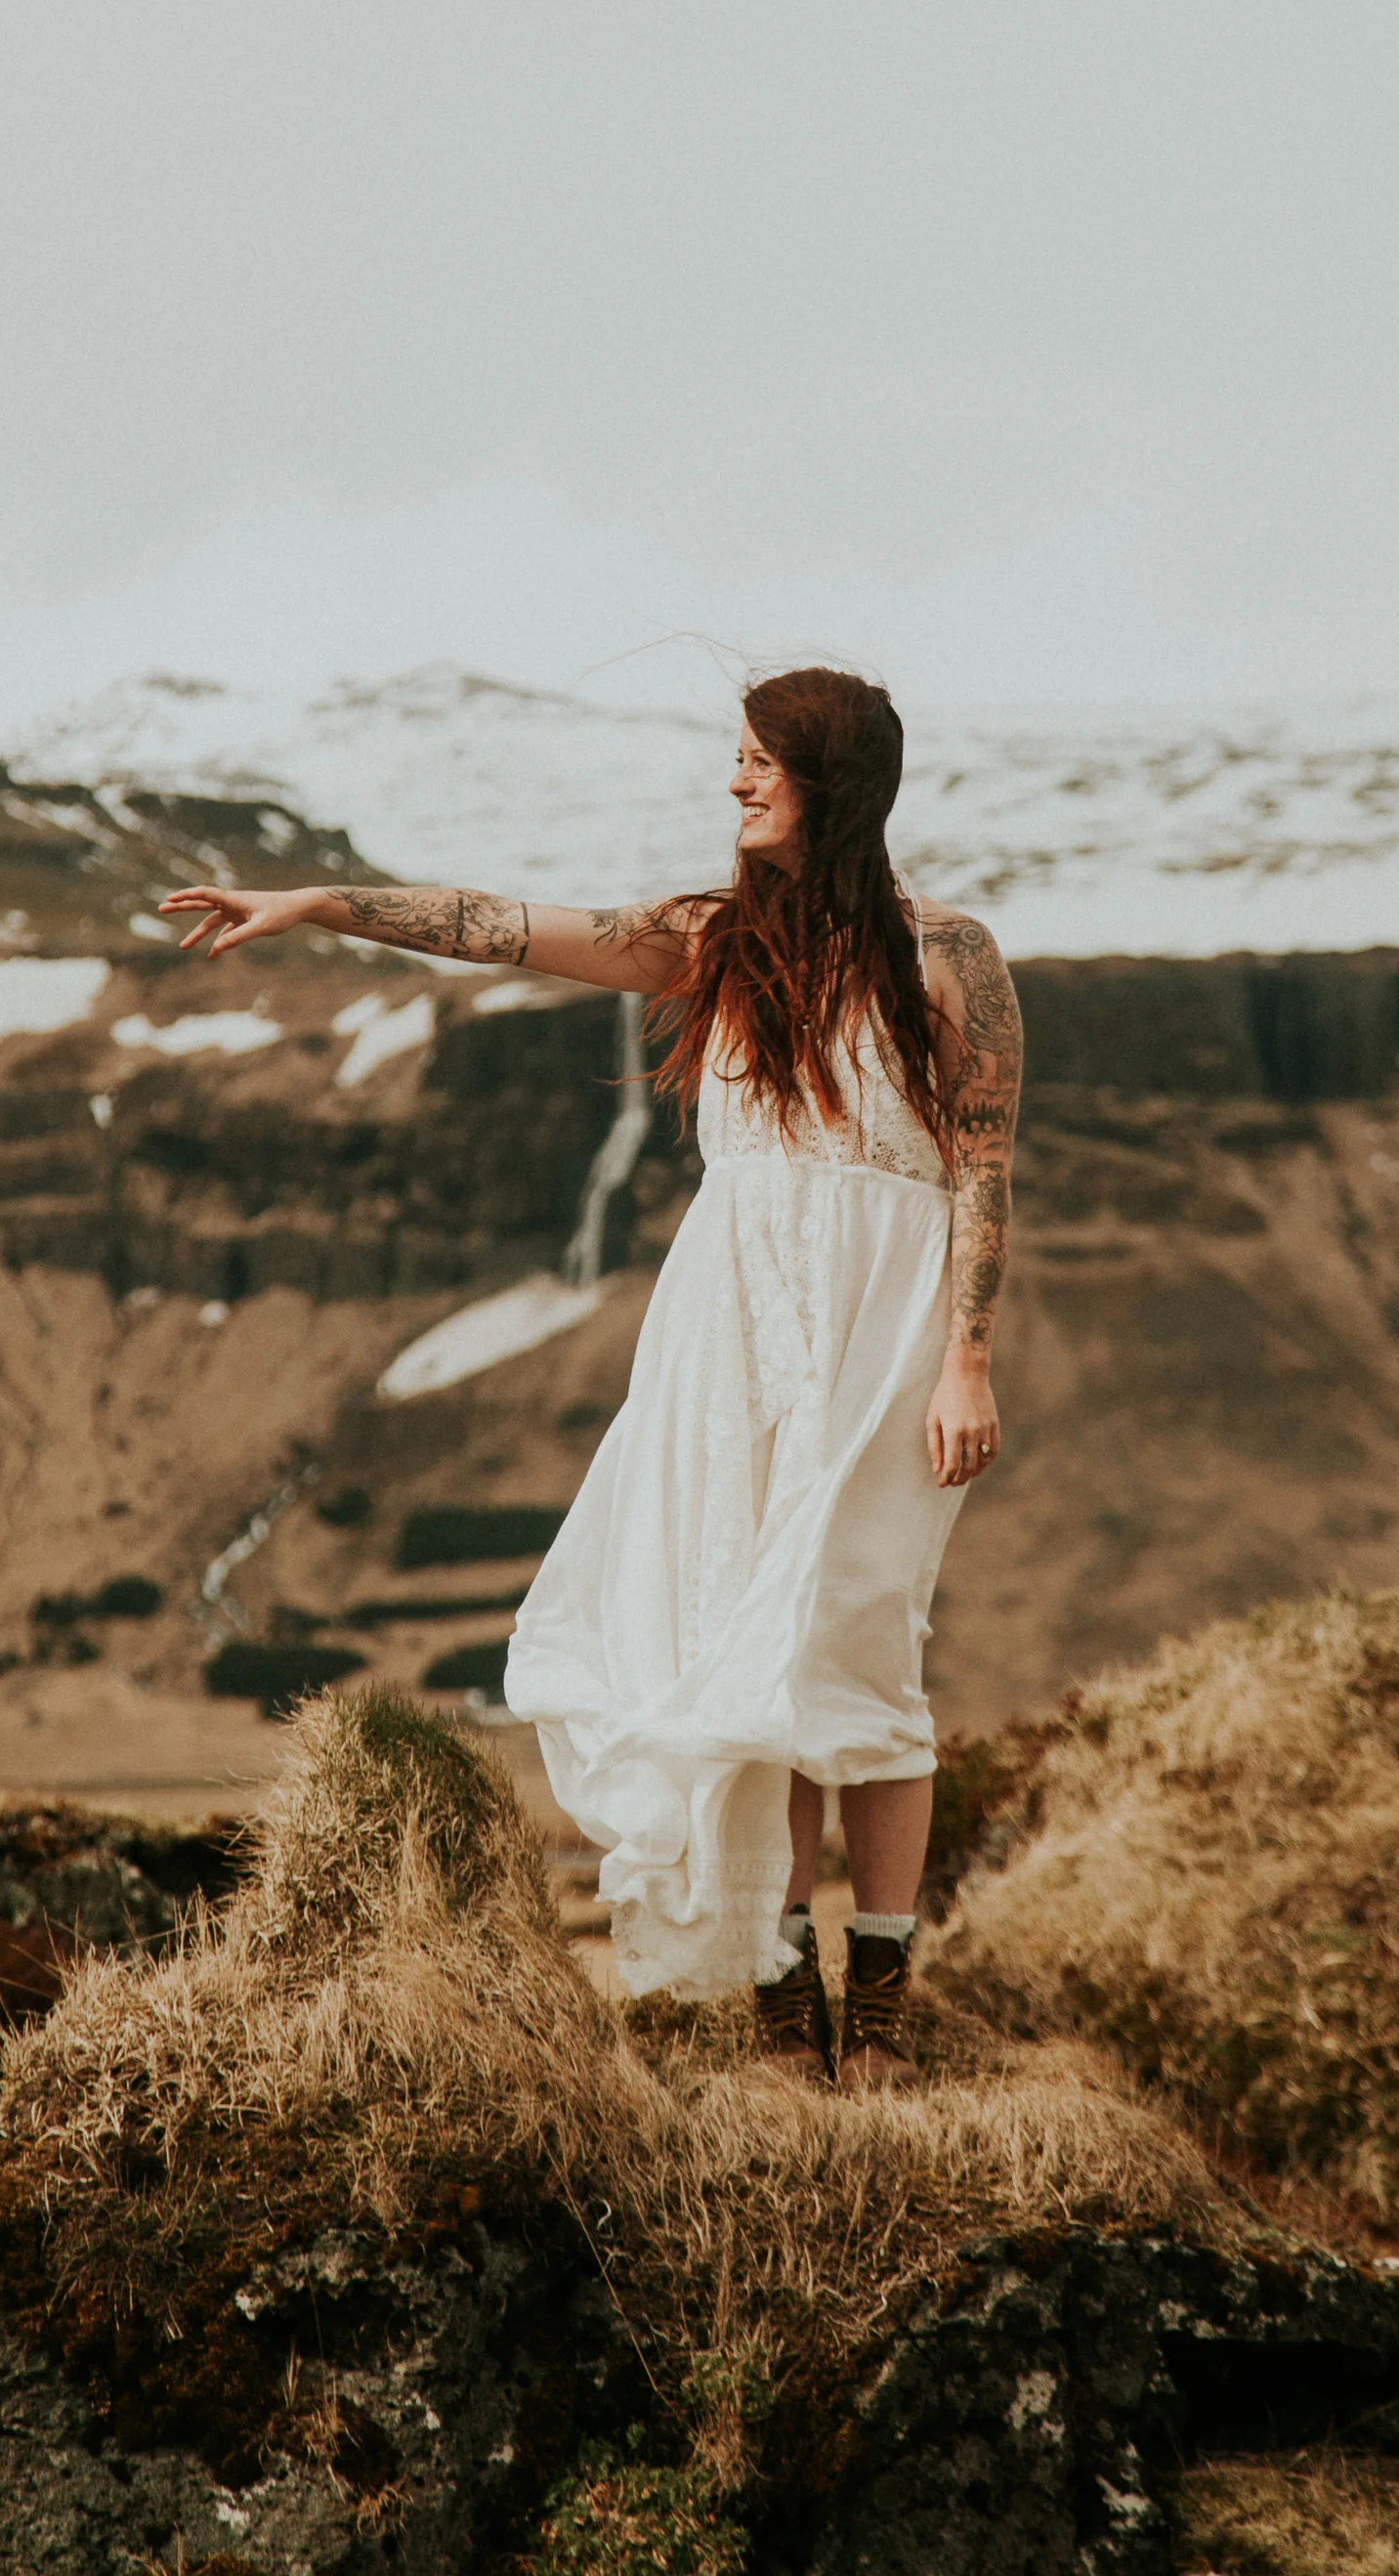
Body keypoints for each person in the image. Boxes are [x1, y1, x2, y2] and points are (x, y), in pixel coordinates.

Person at [160, 665, 1022, 2091]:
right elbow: (505, 929)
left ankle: (880, 1995)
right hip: (727, 1334)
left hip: (885, 1338)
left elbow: (983, 1165)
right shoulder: (710, 941)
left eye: (761, 762)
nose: (736, 783)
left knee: (863, 1639)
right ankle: (777, 1990)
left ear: (836, 782)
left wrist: (966, 1361)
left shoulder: (952, 957)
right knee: (753, 1648)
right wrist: (323, 905)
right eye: (734, 759)